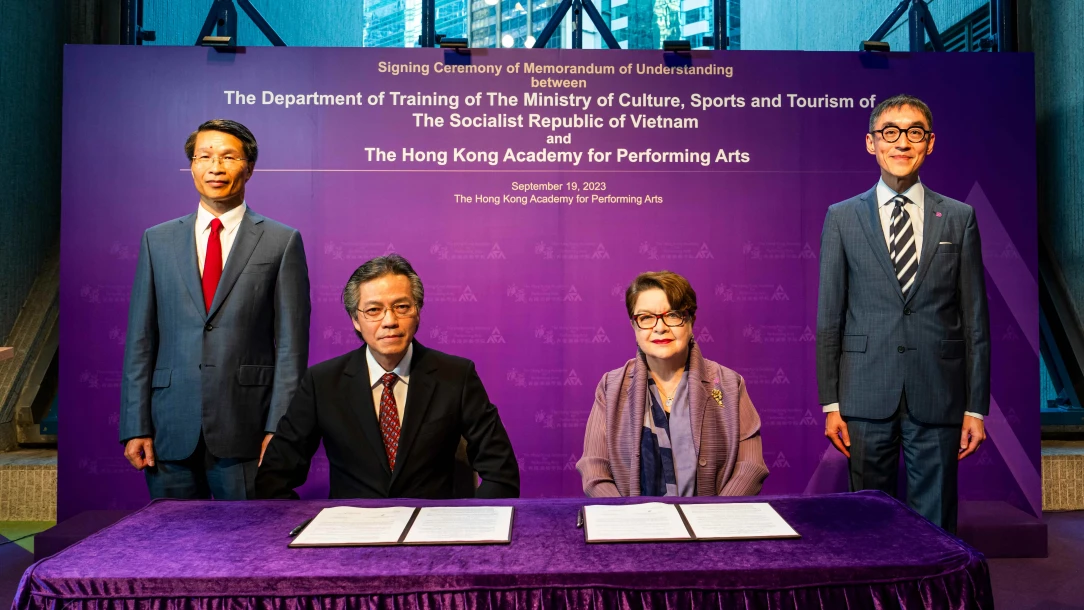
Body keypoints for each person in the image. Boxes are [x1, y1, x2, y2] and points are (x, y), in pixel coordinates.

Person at [816, 94, 990, 533]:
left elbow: (974, 321)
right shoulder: (841, 217)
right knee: (867, 520)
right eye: (889, 133)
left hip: (938, 393)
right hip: (864, 392)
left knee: (936, 524)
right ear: (871, 143)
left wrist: (976, 408)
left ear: (929, 144)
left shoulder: (959, 217)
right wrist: (832, 402)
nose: (902, 143)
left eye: (914, 133)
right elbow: (829, 316)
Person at [119, 119, 311, 500]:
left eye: (228, 157)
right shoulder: (157, 241)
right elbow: (141, 339)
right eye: (203, 156)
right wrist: (135, 424)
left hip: (247, 427)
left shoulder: (281, 241)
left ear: (249, 167)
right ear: (191, 166)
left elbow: (291, 348)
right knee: (172, 551)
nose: (215, 167)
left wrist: (279, 427)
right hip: (169, 426)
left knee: (246, 549)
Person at [256, 254, 520, 499]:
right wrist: (305, 527)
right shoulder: (322, 382)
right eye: (373, 310)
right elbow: (273, 477)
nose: (389, 321)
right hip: (351, 536)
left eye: (402, 306)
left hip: (432, 535)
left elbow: (502, 473)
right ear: (355, 320)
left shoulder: (456, 376)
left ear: (417, 312)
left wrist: (469, 526)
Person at [577, 271, 768, 497]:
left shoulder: (728, 384)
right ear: (634, 326)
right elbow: (594, 470)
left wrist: (714, 518)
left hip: (712, 528)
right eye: (646, 317)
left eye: (673, 315)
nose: (660, 327)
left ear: (690, 320)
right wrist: (628, 518)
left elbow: (750, 468)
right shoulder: (611, 387)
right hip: (635, 527)